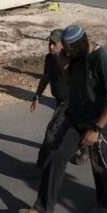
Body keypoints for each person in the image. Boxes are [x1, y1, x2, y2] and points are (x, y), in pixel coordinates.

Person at [18, 24, 107, 213]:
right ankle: (42, 209)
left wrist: (97, 128)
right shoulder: (76, 57)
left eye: (69, 49)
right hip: (77, 118)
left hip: (99, 123)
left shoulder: (102, 58)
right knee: (56, 156)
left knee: (102, 165)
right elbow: (68, 78)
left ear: (81, 43)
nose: (67, 53)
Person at [30, 29, 73, 168]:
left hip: (71, 101)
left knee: (52, 130)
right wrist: (37, 95)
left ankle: (42, 164)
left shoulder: (71, 60)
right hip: (60, 100)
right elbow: (45, 78)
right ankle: (82, 148)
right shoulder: (49, 58)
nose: (51, 46)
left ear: (63, 44)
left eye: (54, 43)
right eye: (49, 43)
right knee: (68, 129)